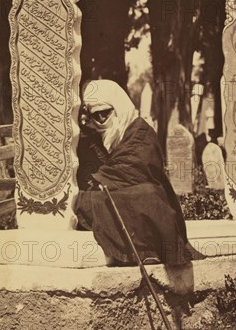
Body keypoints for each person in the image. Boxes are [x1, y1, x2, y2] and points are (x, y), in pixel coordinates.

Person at [75, 79, 202, 266]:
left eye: (104, 114)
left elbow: (135, 171)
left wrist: (103, 179)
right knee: (87, 201)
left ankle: (148, 249)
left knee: (147, 197)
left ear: (118, 106)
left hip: (146, 196)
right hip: (125, 195)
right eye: (94, 116)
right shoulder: (102, 137)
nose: (100, 122)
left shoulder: (141, 134)